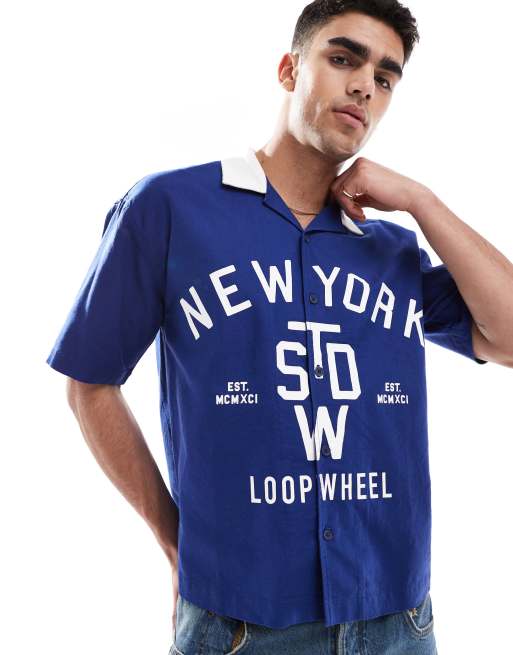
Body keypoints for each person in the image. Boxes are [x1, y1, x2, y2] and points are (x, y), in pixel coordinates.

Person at [46, 1, 513, 653]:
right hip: (241, 621)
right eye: (343, 59)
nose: (364, 86)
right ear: (290, 70)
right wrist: (174, 540)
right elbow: (89, 382)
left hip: (397, 618)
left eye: (384, 78)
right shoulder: (170, 207)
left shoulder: (391, 250)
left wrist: (420, 201)